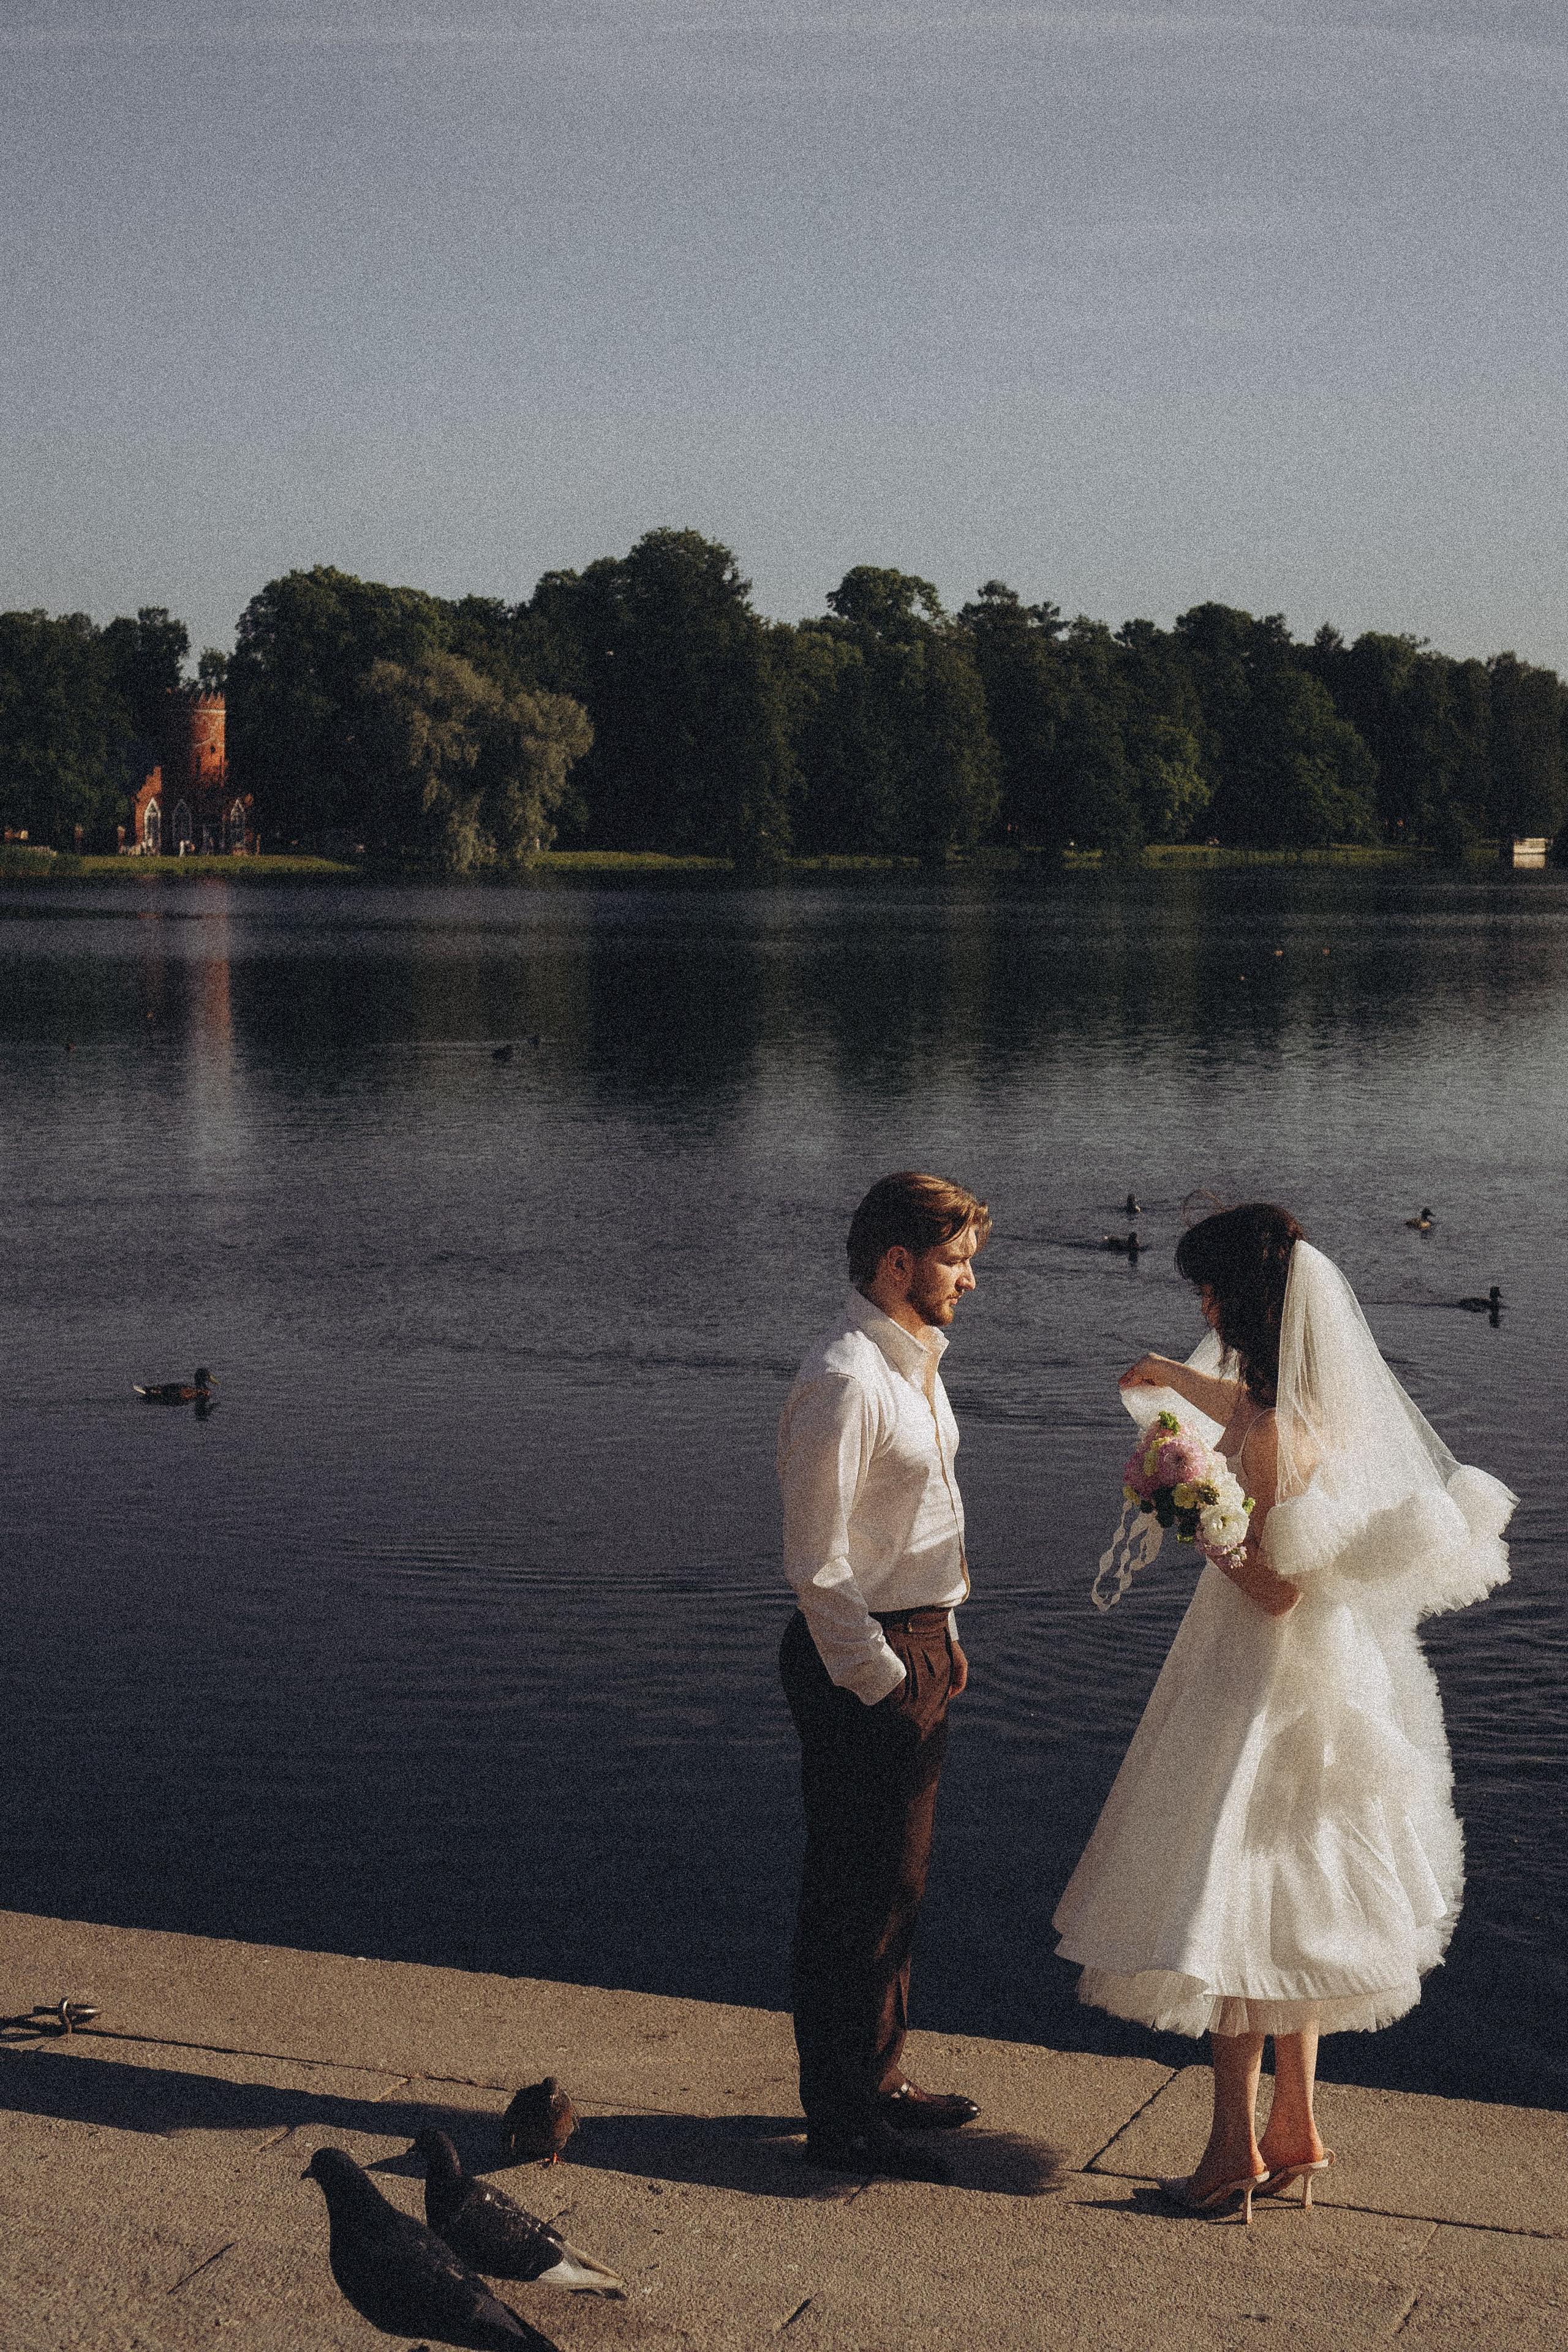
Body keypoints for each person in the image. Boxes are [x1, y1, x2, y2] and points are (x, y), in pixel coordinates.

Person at [1054, 1203, 1515, 2222]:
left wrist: (1195, 1519)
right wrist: (1173, 1379)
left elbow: (1277, 1586)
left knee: (1232, 1897)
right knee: (1296, 1892)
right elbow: (1254, 1416)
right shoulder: (1306, 1401)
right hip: (1331, 1676)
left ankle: (1229, 2153)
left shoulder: (1272, 1431)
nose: (1203, 1307)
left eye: (1209, 1292)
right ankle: (1296, 2125)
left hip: (1258, 1666)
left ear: (1244, 1302)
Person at [777, 1170, 990, 2182]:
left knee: (897, 1885)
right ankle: (841, 2119)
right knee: (852, 1895)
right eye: (955, 1261)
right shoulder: (848, 1379)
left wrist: (944, 1636)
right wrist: (884, 1677)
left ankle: (878, 2074)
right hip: (867, 1655)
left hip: (920, 1642)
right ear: (897, 1264)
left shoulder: (914, 1365)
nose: (969, 1281)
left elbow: (910, 1520)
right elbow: (817, 1567)